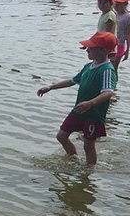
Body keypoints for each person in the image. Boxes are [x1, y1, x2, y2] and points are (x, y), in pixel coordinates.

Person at [36, 32, 117, 166]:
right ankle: (73, 158)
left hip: (94, 115)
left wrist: (91, 103)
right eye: (87, 47)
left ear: (104, 51)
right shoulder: (88, 66)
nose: (87, 50)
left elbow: (108, 92)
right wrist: (50, 87)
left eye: (91, 48)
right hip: (79, 110)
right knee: (61, 136)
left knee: (88, 145)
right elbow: (72, 81)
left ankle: (88, 171)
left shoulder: (107, 70)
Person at [112, 0, 130, 74]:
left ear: (125, 4)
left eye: (120, 4)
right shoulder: (113, 14)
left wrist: (127, 51)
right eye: (116, 3)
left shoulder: (127, 17)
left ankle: (114, 81)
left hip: (120, 45)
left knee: (114, 68)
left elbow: (128, 34)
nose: (117, 6)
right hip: (111, 44)